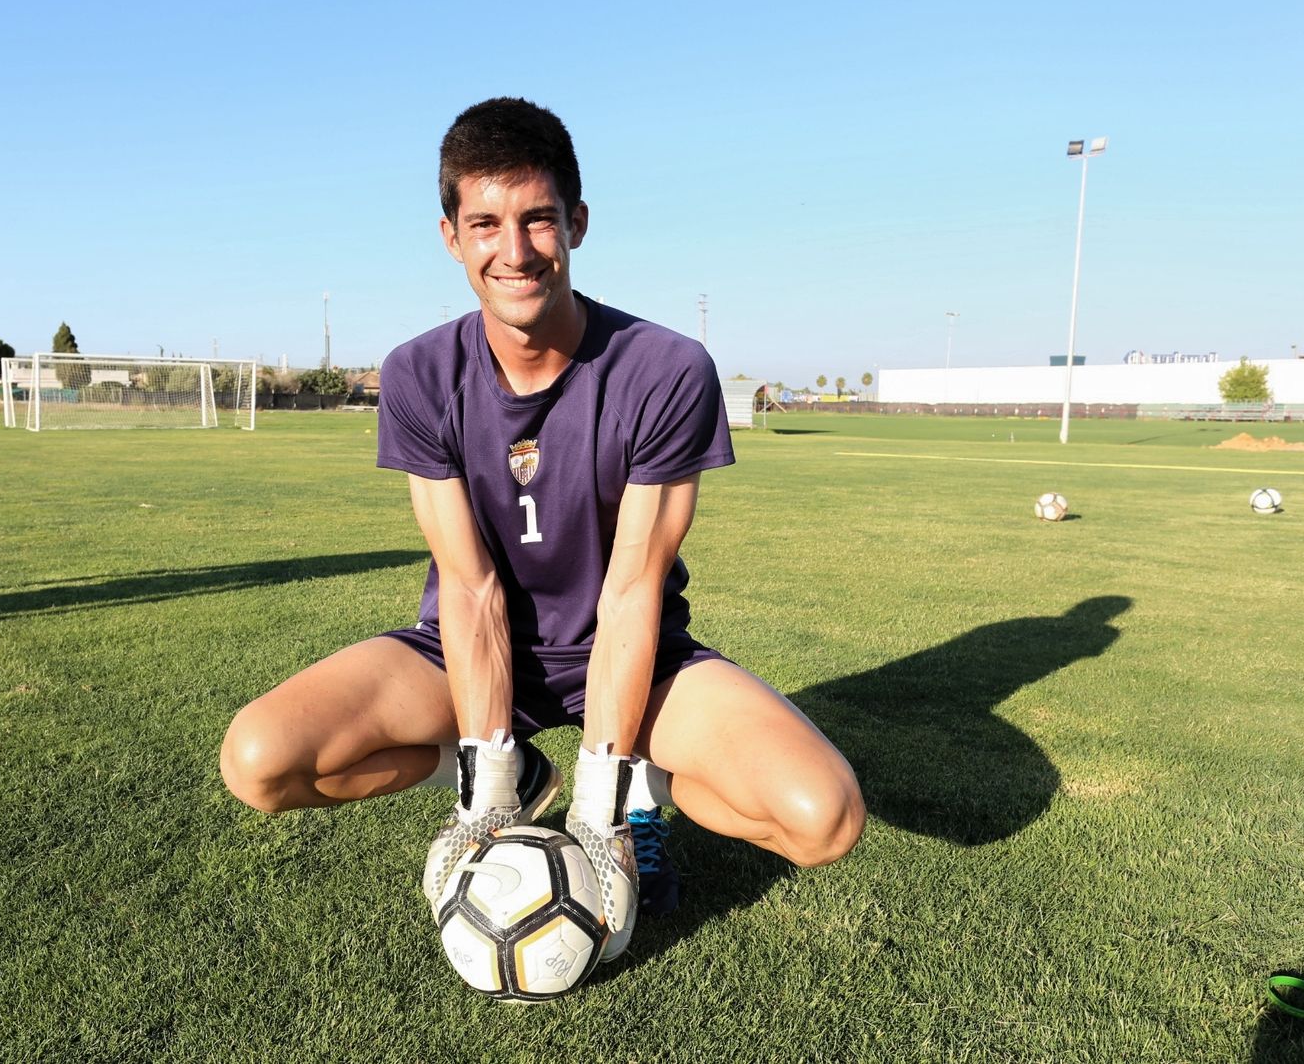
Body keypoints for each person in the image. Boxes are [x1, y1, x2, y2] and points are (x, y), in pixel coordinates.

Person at [221, 97, 864, 962]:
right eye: (485, 222)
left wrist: (597, 808)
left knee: (824, 817)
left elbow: (634, 590)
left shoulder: (666, 368)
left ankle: (641, 781)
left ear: (578, 223)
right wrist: (488, 790)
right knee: (259, 761)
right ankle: (517, 771)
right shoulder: (417, 373)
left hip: (626, 650)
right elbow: (472, 584)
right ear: (451, 235)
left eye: (537, 219)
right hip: (465, 653)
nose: (514, 250)